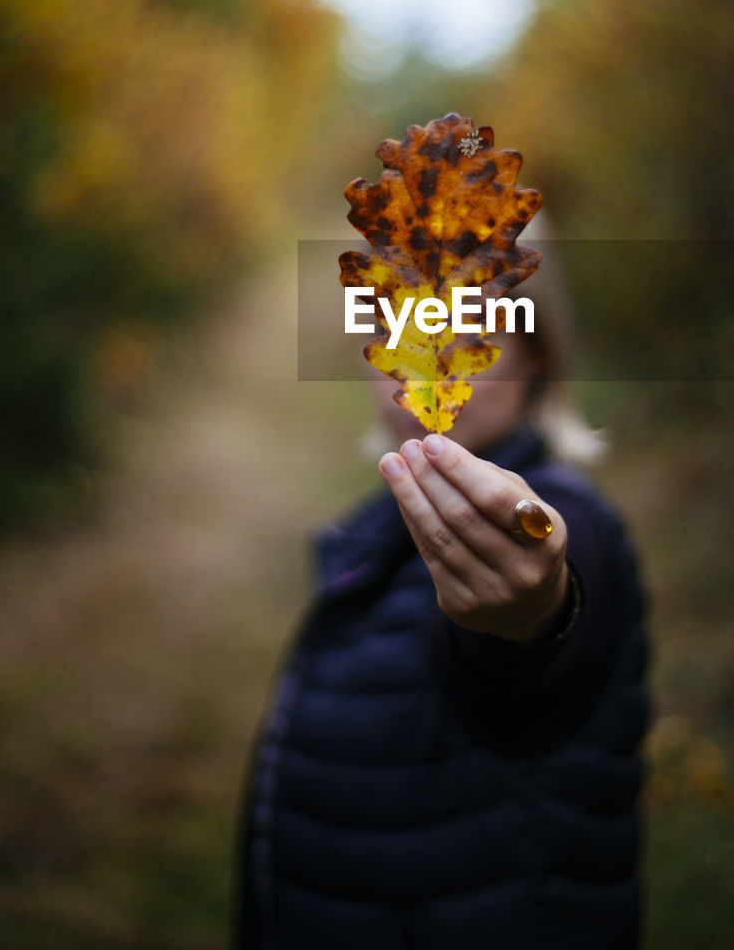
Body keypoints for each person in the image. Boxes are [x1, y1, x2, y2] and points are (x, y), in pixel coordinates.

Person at [233, 255, 650, 949]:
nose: (416, 360)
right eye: (388, 318)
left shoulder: (577, 524)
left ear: (536, 353)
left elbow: (543, 626)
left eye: (464, 322)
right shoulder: (381, 526)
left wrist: (531, 610)